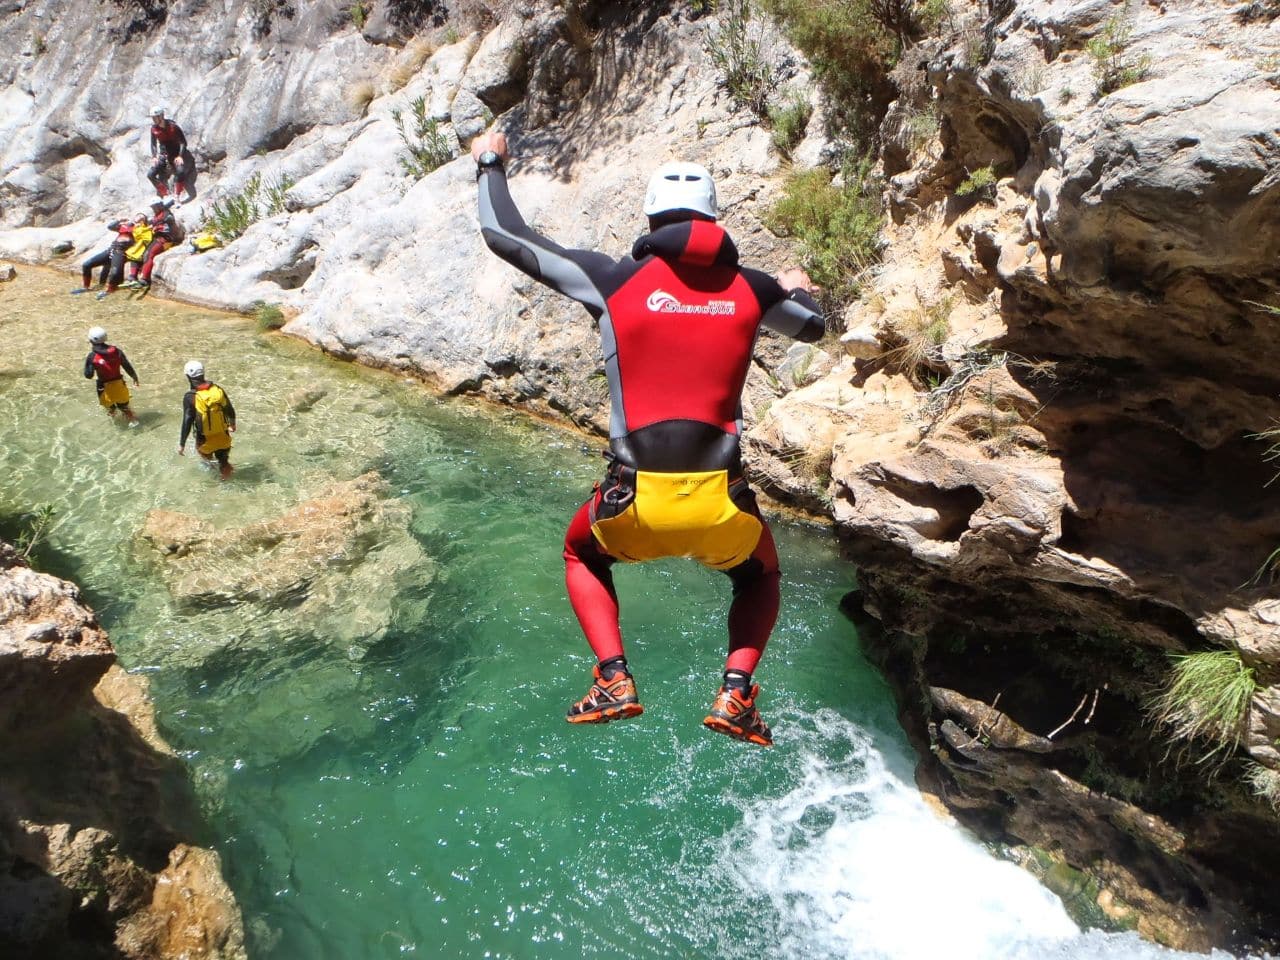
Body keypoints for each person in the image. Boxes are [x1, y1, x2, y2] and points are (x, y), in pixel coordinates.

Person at [472, 131, 824, 746]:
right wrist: (797, 289)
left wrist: (489, 162)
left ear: (652, 217)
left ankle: (613, 677)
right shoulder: (755, 287)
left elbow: (507, 237)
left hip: (632, 504)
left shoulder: (612, 280)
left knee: (581, 552)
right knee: (759, 573)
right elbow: (815, 328)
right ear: (715, 217)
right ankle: (736, 692)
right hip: (724, 506)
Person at [177, 360, 236, 480]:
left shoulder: (190, 397)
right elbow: (229, 409)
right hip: (224, 438)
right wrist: (232, 424)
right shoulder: (218, 390)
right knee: (224, 461)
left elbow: (187, 421)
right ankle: (226, 477)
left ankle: (212, 470)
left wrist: (182, 444)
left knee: (206, 458)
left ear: (188, 376)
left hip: (205, 442)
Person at [71, 214, 149, 299]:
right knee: (86, 265)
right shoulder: (125, 226)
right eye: (138, 216)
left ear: (144, 221)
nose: (139, 218)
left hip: (121, 253)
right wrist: (120, 219)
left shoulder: (142, 230)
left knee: (115, 273)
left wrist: (140, 228)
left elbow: (144, 239)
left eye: (142, 218)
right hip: (111, 249)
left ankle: (110, 290)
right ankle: (85, 287)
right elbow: (110, 226)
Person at [82, 326, 140, 425]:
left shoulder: (92, 356)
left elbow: (89, 375)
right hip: (119, 385)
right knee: (124, 408)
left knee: (111, 408)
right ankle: (133, 421)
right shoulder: (117, 351)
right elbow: (126, 365)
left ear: (91, 340)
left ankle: (114, 423)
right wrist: (134, 376)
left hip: (104, 388)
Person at [123, 197, 178, 291]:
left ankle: (145, 279)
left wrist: (149, 223)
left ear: (160, 205)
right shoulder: (158, 214)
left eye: (155, 206)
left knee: (149, 254)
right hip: (156, 238)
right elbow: (151, 221)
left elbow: (159, 221)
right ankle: (132, 276)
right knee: (136, 254)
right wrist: (139, 220)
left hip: (164, 239)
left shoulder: (166, 214)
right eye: (153, 207)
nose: (153, 208)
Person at [147, 107, 197, 204]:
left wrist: (180, 156)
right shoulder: (154, 129)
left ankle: (177, 195)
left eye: (155, 117)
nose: (153, 120)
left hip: (175, 154)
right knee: (150, 174)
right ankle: (165, 194)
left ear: (161, 116)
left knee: (180, 171)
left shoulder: (173, 126)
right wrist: (154, 156)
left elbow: (183, 142)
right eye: (152, 118)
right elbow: (153, 144)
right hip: (164, 155)